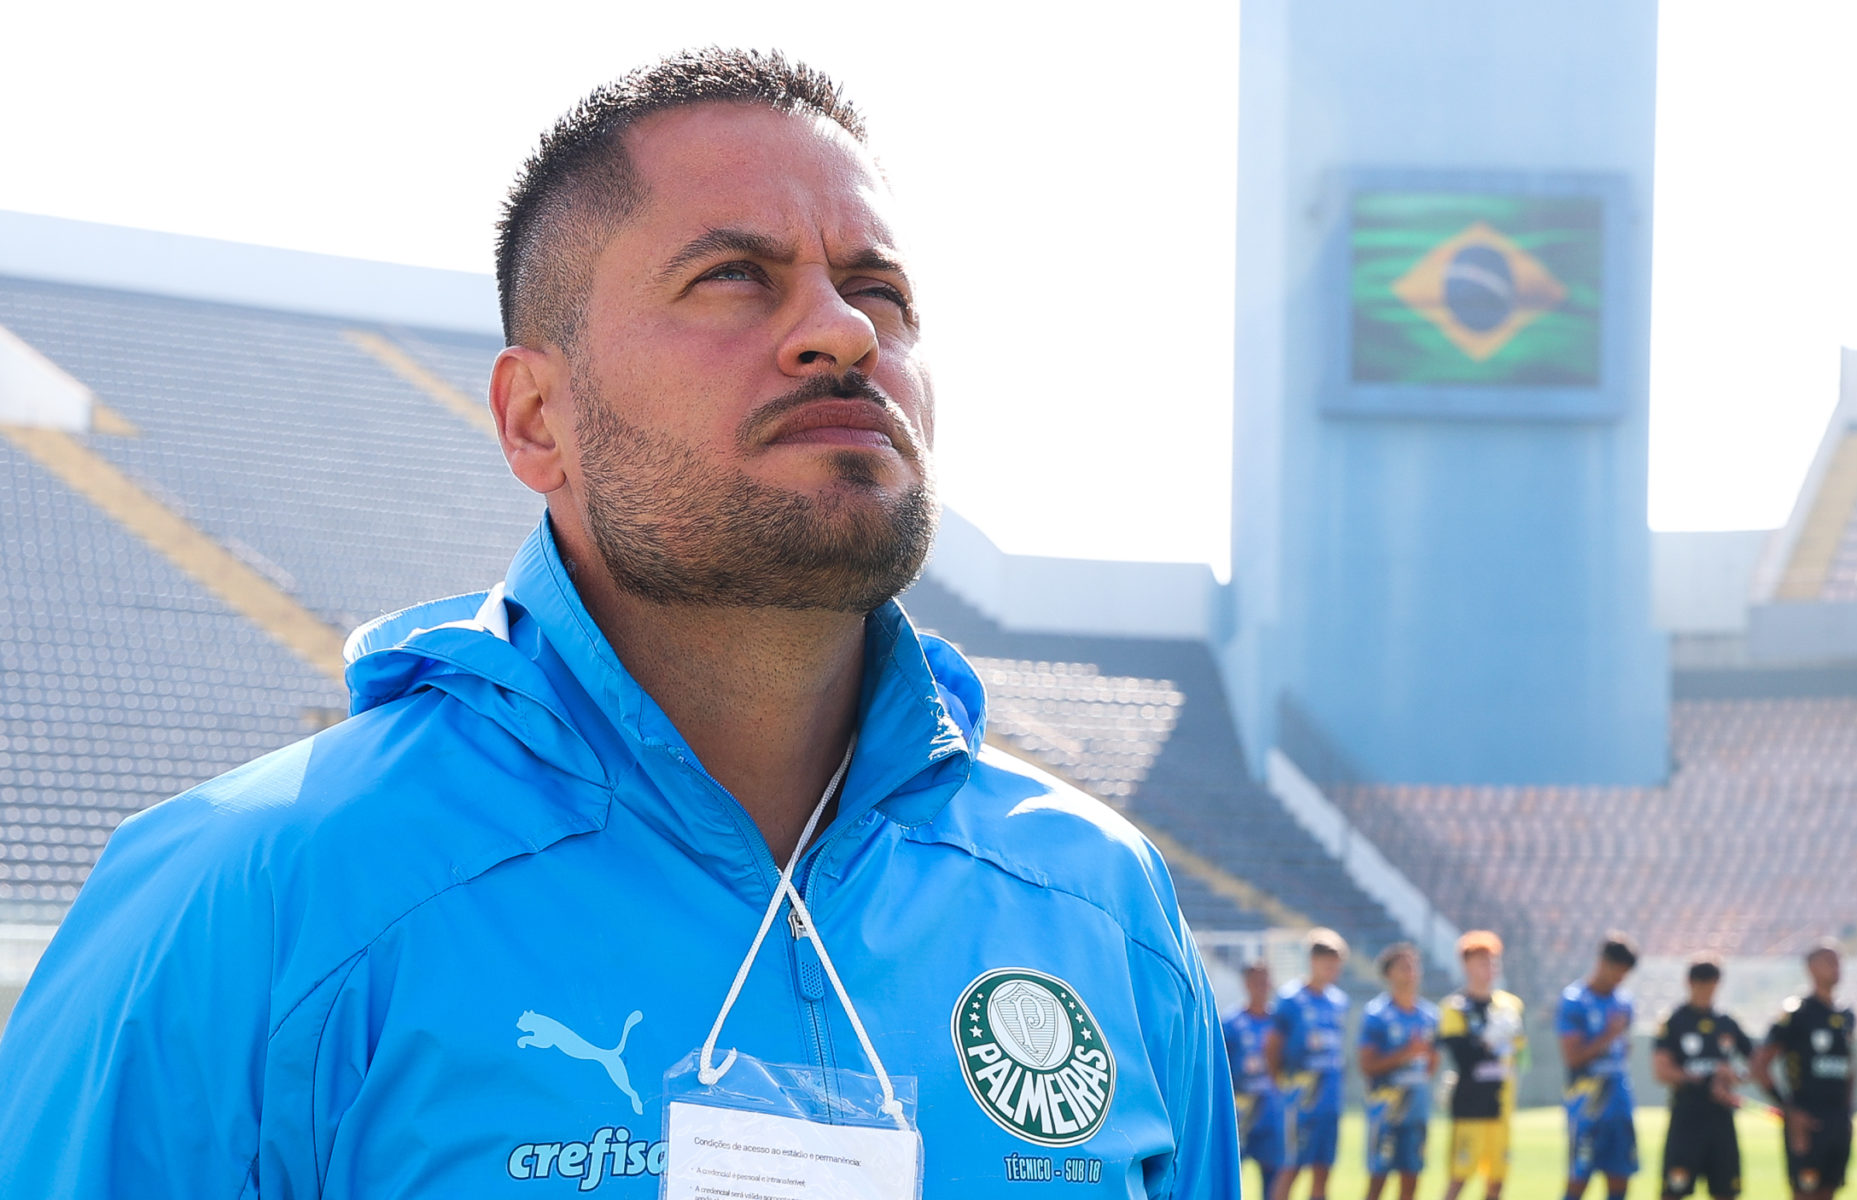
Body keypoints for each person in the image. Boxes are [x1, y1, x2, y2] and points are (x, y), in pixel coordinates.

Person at [0, 49, 1239, 1198]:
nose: (845, 330)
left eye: (879, 290)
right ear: (536, 418)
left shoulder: (1097, 900)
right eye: (734, 276)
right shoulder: (251, 900)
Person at [1752, 939, 1857, 1200]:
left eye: (1838, 961)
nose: (1836, 967)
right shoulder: (1796, 1013)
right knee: (1805, 1192)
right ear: (1811, 968)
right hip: (1806, 1118)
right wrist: (1787, 1109)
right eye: (1829, 962)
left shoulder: (1846, 1014)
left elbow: (1850, 1066)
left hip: (1837, 1119)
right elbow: (1759, 1064)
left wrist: (1849, 1111)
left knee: (1829, 1190)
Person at [1653, 955, 1752, 1200]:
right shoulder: (1674, 1021)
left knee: (1726, 1191)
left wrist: (1734, 1076)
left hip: (1721, 1120)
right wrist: (1706, 1079)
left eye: (1711, 983)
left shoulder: (1727, 1022)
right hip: (1687, 1118)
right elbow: (1662, 1070)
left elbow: (1755, 1063)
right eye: (1700, 983)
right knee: (1674, 1191)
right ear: (1689, 983)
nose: (1706, 990)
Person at [1438, 930, 1527, 1200]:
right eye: (1482, 962)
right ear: (1466, 965)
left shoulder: (1510, 1005)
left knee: (1497, 1179)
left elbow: (1521, 1054)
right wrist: (1488, 1039)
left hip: (1501, 1103)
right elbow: (1463, 1056)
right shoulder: (1455, 1007)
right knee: (1459, 1177)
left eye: (1493, 962)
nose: (1489, 968)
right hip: (1470, 1105)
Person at [1268, 927, 1352, 1200]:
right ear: (1313, 961)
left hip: (1330, 1099)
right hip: (1300, 1099)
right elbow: (1272, 1046)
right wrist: (1282, 1085)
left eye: (1336, 963)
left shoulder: (1339, 1001)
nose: (1331, 968)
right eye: (1326, 961)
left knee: (1323, 1169)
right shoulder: (1290, 999)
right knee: (1291, 1166)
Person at [1556, 934, 1642, 1200]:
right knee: (1579, 1177)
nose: (1621, 977)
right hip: (1587, 1104)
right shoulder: (1574, 1000)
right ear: (1602, 963)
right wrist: (1608, 1036)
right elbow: (1572, 1057)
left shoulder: (1625, 1002)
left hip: (1619, 1100)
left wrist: (1619, 1043)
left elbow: (1622, 1046)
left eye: (1625, 973)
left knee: (1620, 1177)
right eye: (1617, 970)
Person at [1357, 943, 1441, 1200]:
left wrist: (1425, 1060)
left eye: (1414, 965)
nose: (1410, 971)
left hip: (1417, 1110)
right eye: (1403, 966)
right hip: (1386, 1111)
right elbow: (1367, 1065)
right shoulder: (1377, 1014)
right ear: (1389, 973)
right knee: (1378, 1178)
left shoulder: (1430, 1015)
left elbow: (1432, 1062)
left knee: (1411, 1176)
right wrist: (1406, 1054)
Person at [1226, 962, 1288, 1200]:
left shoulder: (1280, 1024)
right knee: (1232, 1176)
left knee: (1274, 1180)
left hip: (1272, 1113)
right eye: (1257, 981)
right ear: (1246, 984)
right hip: (1241, 1114)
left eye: (1266, 981)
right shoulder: (1231, 1023)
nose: (1262, 987)